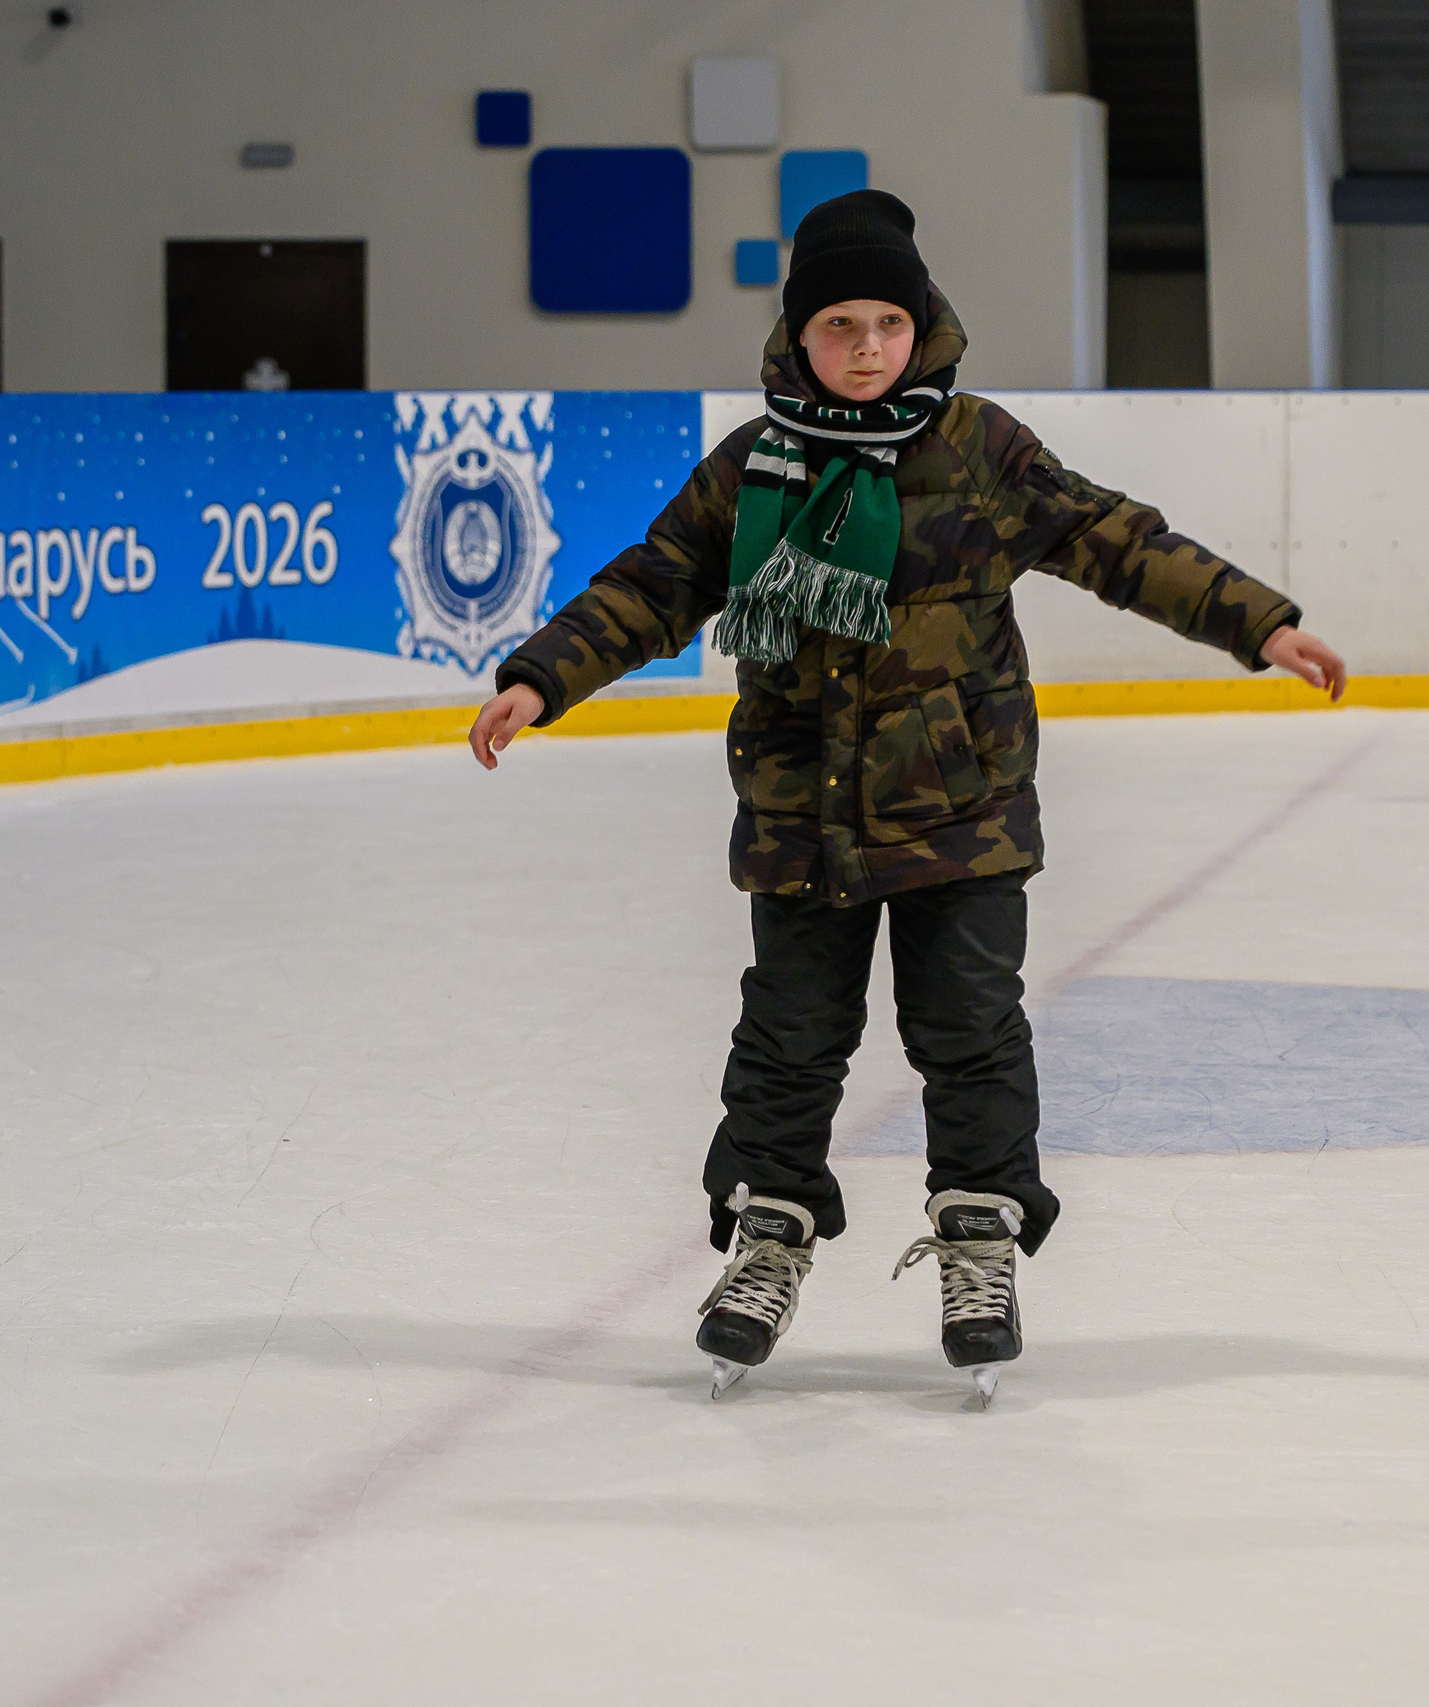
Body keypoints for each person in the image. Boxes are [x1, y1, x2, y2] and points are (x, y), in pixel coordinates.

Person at [466, 190, 1346, 1403]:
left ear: (923, 322)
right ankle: (768, 1240)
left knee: (970, 1034)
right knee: (787, 1041)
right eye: (840, 326)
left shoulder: (981, 452)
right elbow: (655, 583)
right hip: (801, 814)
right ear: (798, 338)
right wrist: (542, 676)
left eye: (888, 321)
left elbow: (1115, 541)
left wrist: (1262, 623)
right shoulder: (752, 467)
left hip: (963, 813)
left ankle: (979, 1244)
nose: (868, 348)